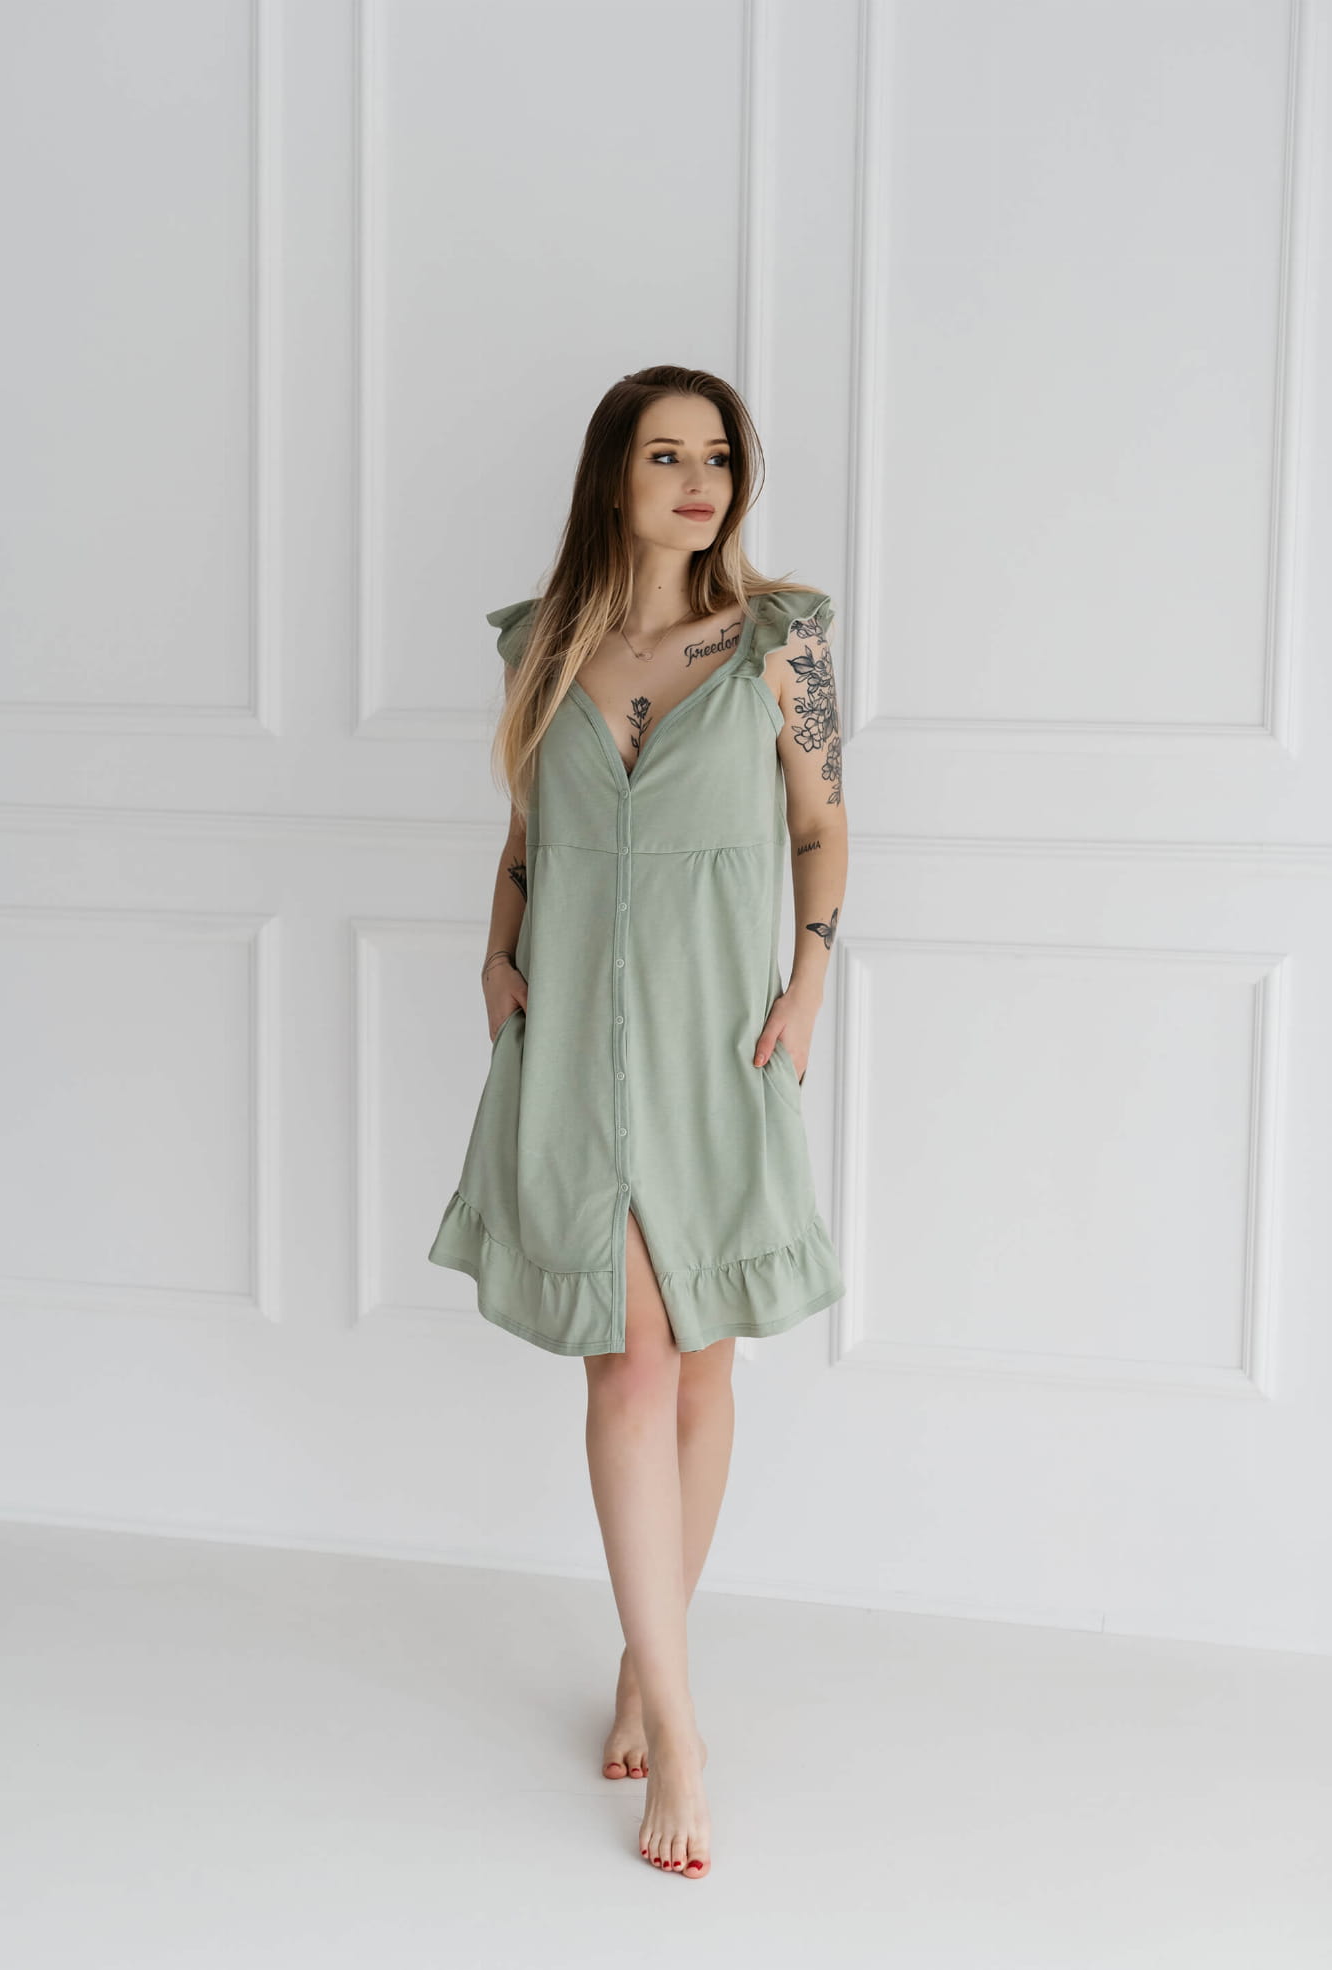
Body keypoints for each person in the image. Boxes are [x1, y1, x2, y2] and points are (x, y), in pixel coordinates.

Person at [428, 364, 848, 1880]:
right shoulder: (541, 645)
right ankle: (676, 1723)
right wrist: (495, 955)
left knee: (702, 1358)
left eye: (717, 456)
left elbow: (821, 824)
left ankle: (639, 1657)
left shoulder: (782, 639)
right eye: (666, 455)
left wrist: (808, 986)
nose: (698, 481)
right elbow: (526, 832)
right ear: (614, 475)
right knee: (629, 1360)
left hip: (718, 1043)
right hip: (568, 1043)